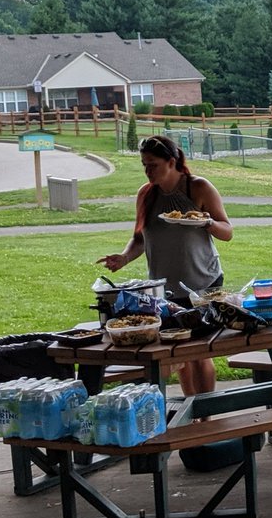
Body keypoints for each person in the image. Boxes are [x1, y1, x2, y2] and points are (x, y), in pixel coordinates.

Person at [98, 134, 233, 396]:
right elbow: (140, 238)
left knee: (198, 352)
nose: (148, 171)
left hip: (203, 283)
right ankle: (191, 414)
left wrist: (206, 222)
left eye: (153, 165)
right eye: (144, 165)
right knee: (177, 352)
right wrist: (124, 257)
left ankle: (204, 415)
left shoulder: (198, 188)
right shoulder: (146, 194)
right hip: (164, 290)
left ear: (171, 162)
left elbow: (227, 231)